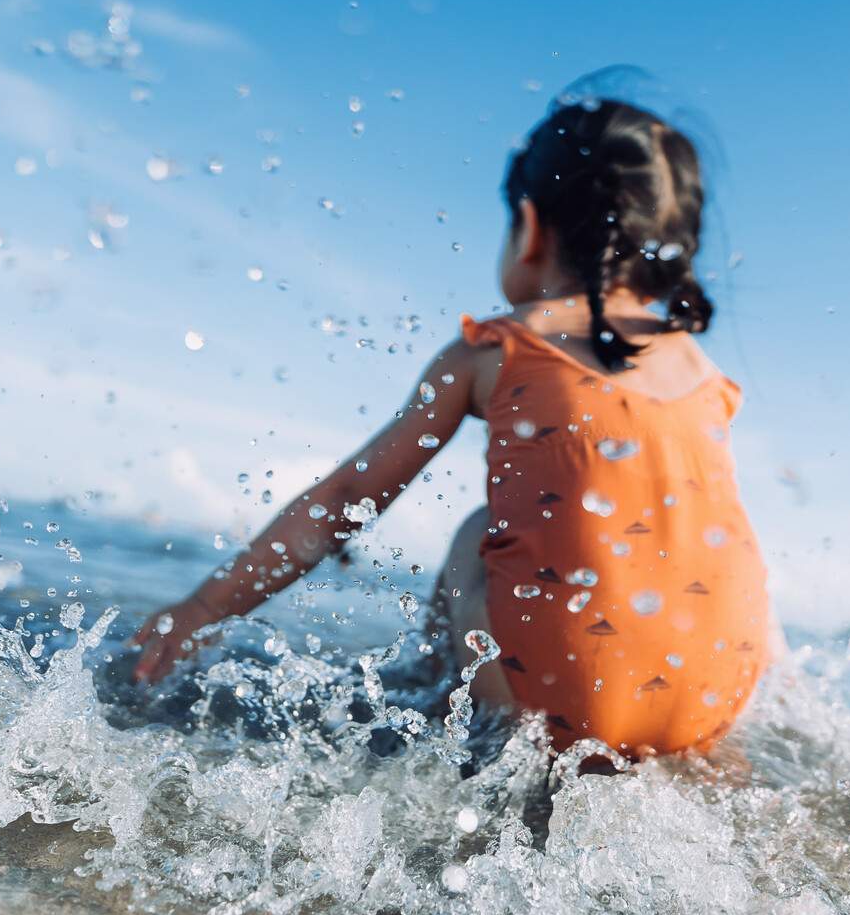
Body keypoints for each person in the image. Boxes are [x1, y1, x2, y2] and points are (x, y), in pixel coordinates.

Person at [132, 95, 775, 759]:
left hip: (563, 692)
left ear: (529, 228)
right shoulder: (703, 373)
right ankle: (693, 754)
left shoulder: (498, 350)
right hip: (715, 695)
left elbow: (342, 502)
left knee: (478, 532)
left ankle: (444, 704)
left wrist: (206, 609)